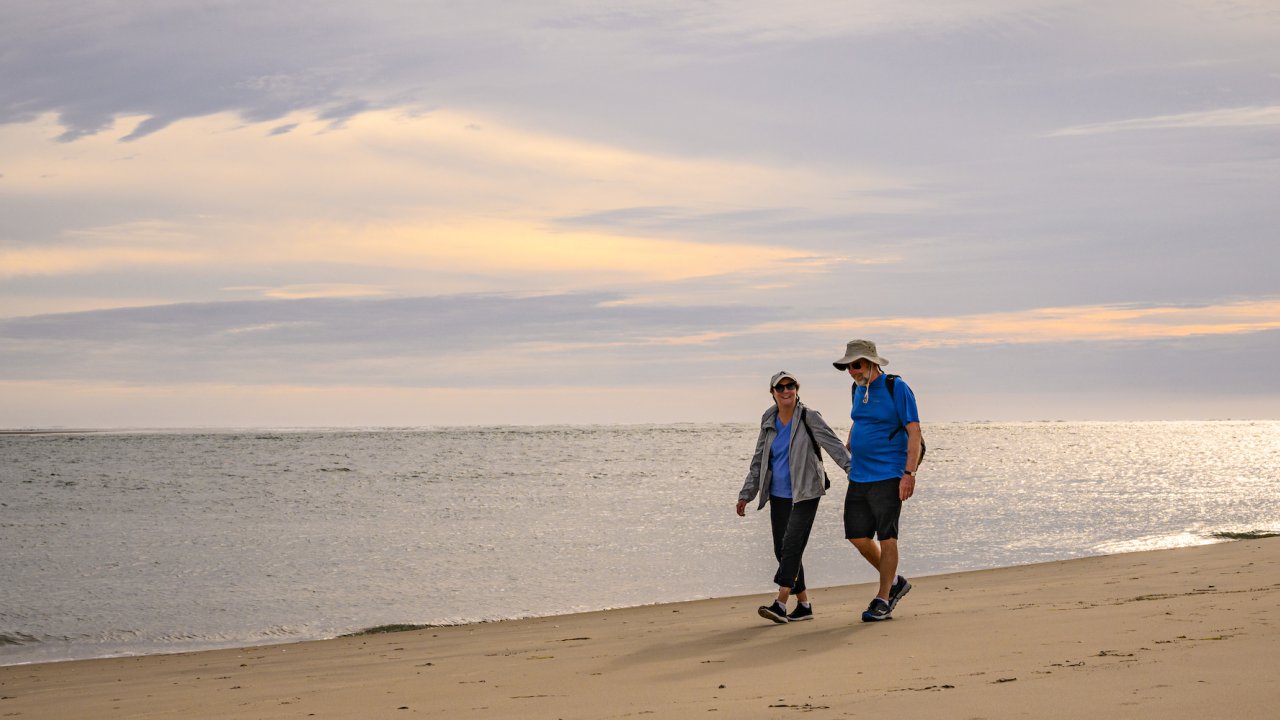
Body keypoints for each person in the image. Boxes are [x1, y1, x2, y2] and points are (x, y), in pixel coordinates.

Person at [737, 370, 851, 624]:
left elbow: (832, 444)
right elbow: (759, 460)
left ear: (797, 389)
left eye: (791, 386)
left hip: (806, 491)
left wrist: (851, 469)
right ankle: (804, 605)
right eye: (781, 388)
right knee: (782, 549)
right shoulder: (769, 420)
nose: (786, 391)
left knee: (791, 545)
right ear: (773, 393)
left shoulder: (809, 417)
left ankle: (780, 603)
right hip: (778, 494)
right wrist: (747, 493)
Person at [832, 339, 922, 622]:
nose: (852, 371)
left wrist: (908, 474)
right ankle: (894, 581)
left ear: (872, 362)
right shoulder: (856, 390)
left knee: (887, 536)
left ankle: (883, 598)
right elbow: (860, 420)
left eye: (856, 365)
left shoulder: (898, 388)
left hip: (890, 473)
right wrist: (850, 443)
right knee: (857, 535)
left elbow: (914, 430)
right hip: (859, 474)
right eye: (848, 367)